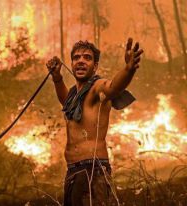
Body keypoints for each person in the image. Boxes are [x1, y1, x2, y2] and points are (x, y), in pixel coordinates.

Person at [46, 39, 143, 206]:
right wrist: (57, 78)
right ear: (72, 63)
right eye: (76, 58)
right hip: (73, 172)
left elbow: (113, 87)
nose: (81, 61)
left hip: (93, 169)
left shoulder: (97, 87)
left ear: (95, 66)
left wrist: (128, 69)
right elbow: (65, 101)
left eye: (87, 57)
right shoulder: (73, 95)